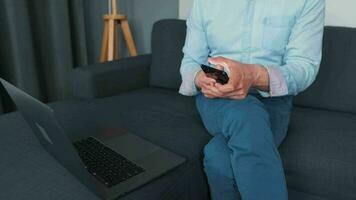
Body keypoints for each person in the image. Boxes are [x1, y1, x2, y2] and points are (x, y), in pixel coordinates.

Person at [179, 0, 325, 199]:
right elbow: (191, 62)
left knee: (218, 157)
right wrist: (200, 77)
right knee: (246, 114)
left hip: (273, 99)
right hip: (216, 95)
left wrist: (252, 75)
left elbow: (304, 67)